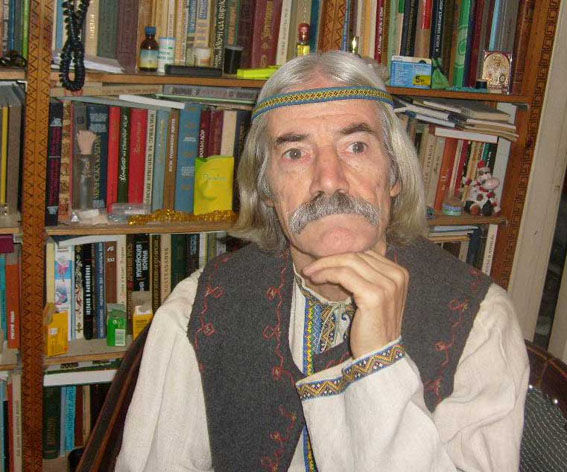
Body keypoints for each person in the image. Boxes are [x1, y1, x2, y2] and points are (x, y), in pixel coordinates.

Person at [116, 51, 528, 471]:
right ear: (266, 189)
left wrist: (379, 364)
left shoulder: (480, 320)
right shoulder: (196, 309)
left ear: (394, 174)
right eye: (295, 153)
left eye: (356, 146)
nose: (329, 180)